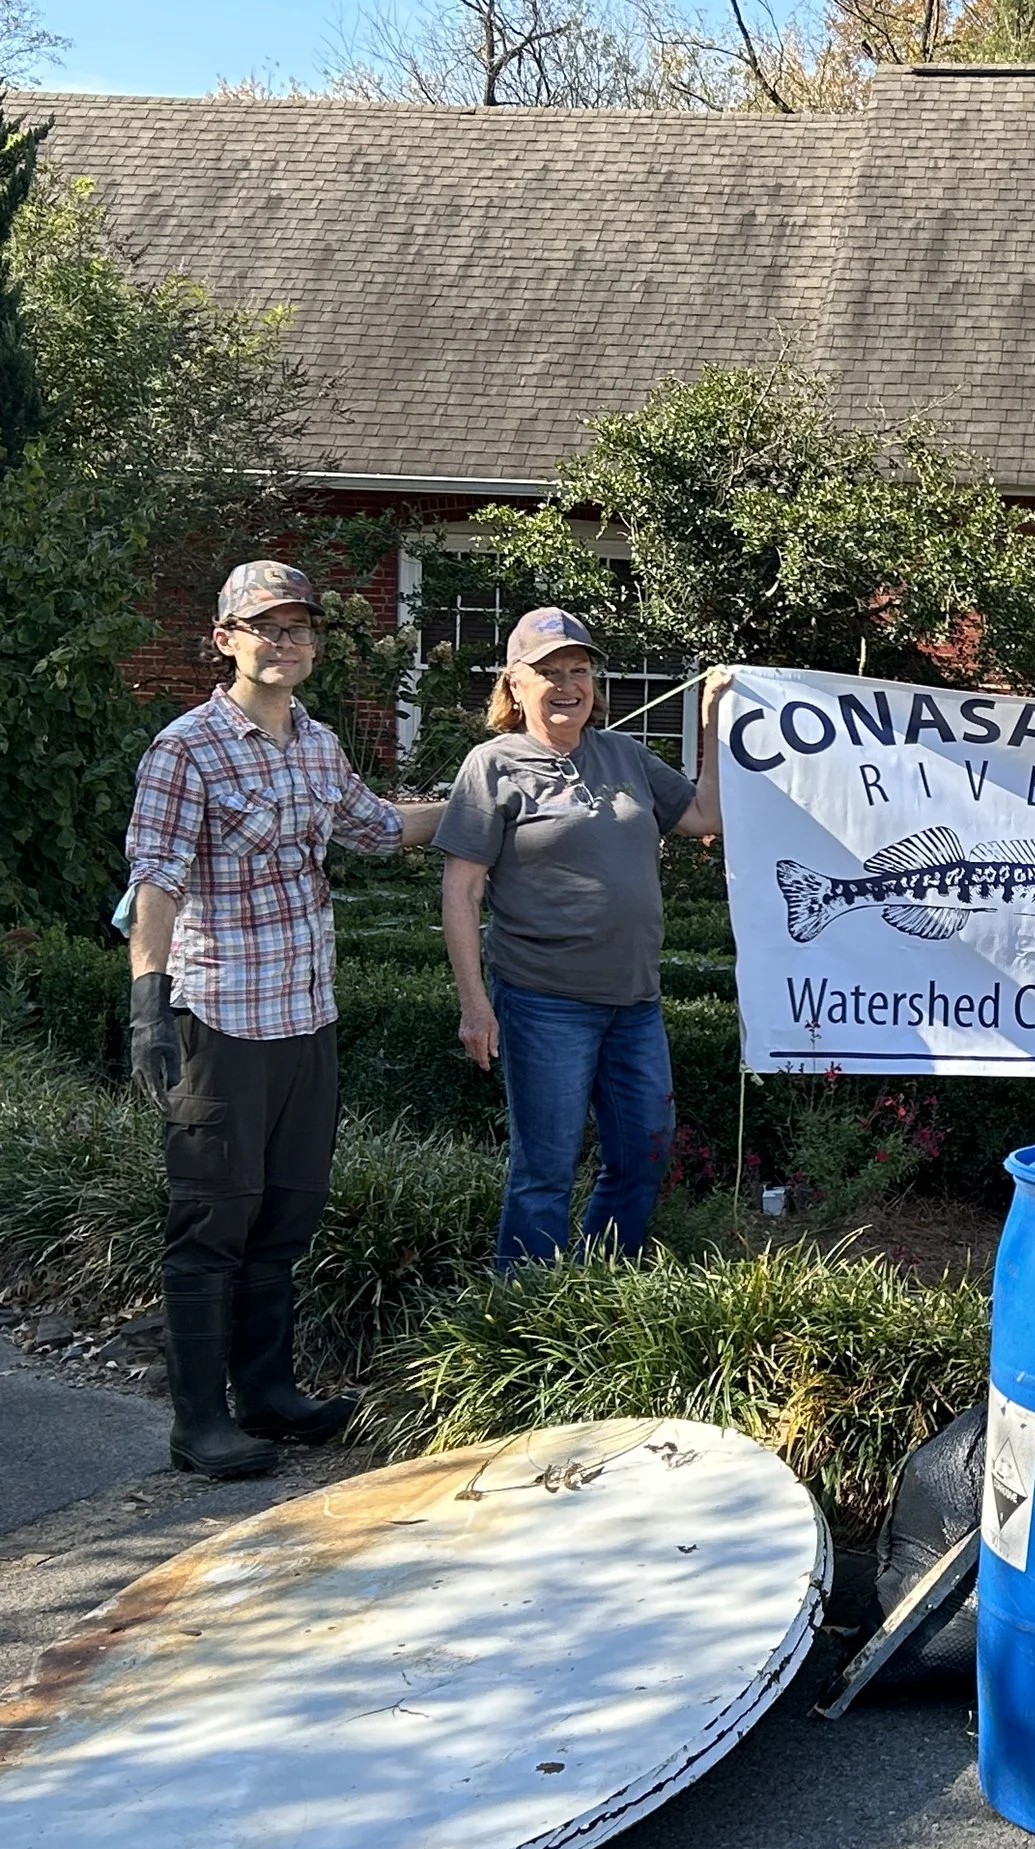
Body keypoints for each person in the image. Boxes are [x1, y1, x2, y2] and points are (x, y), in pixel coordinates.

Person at [124, 560, 449, 1478]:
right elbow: (156, 878)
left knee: (286, 1218)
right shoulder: (185, 749)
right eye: (265, 626)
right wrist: (148, 998)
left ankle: (266, 1393)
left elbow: (378, 827)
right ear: (226, 639)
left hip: (307, 1018)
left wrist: (483, 796)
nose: (285, 640)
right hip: (221, 1020)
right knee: (212, 1220)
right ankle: (199, 1422)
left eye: (299, 626)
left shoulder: (316, 745)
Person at [436, 609, 727, 1271]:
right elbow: (461, 892)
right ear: (515, 683)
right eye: (548, 672)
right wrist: (475, 1006)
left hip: (635, 1001)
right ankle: (523, 1312)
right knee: (545, 1166)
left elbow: (706, 816)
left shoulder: (625, 755)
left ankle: (599, 1282)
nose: (567, 684)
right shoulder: (493, 766)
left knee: (645, 1151)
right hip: (544, 1001)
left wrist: (712, 722)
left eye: (578, 669)